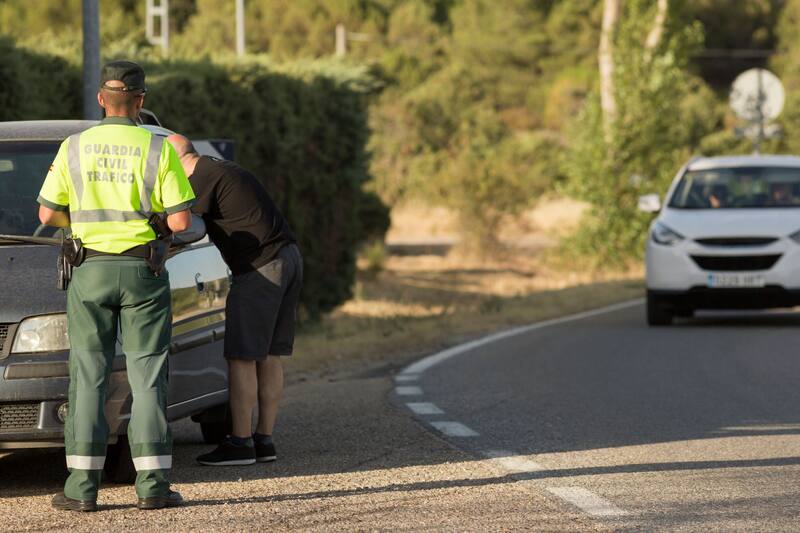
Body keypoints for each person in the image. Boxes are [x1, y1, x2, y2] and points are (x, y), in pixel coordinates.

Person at [38, 61, 196, 512]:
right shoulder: (158, 148)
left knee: (88, 377)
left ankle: (81, 490)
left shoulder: (73, 147)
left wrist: (84, 220)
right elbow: (182, 220)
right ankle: (152, 488)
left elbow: (47, 215)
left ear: (101, 99)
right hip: (142, 271)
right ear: (141, 101)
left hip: (89, 272)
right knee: (148, 376)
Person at [166, 134, 302, 467]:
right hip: (289, 257)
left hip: (259, 268)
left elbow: (177, 226)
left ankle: (240, 442)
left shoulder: (198, 179)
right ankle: (263, 440)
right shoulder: (221, 169)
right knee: (269, 355)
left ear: (173, 161)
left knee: (241, 357)